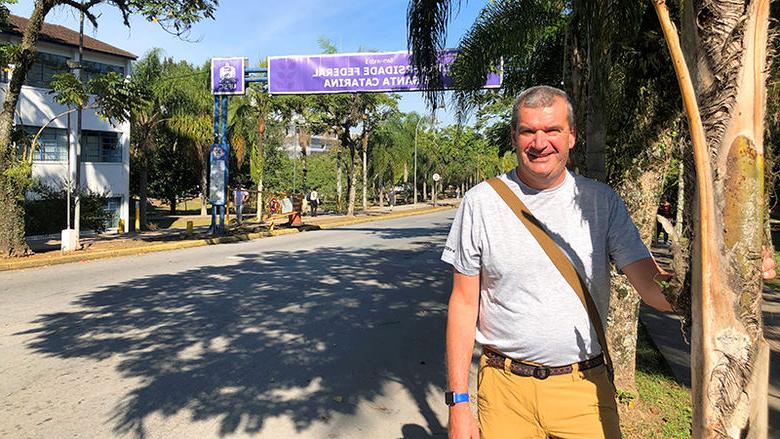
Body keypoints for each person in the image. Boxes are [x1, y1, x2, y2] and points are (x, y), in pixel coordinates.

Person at [441, 86, 773, 439]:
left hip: (583, 386)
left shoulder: (601, 202)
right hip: (504, 389)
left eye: (552, 130)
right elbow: (463, 303)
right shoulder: (481, 203)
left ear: (571, 136)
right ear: (514, 137)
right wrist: (459, 402)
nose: (540, 143)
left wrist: (731, 277)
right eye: (528, 131)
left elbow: (649, 285)